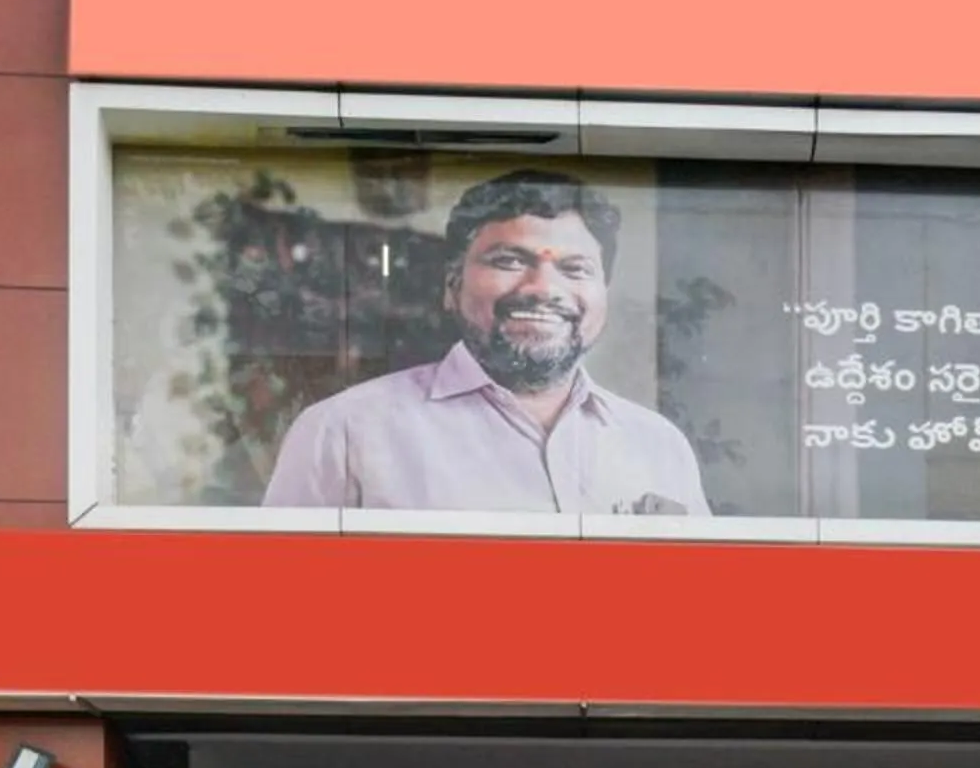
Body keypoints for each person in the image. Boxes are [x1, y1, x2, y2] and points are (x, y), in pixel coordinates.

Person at [261, 170, 712, 517]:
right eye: (510, 260)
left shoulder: (657, 445)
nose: (542, 288)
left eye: (575, 269)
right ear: (452, 285)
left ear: (603, 294)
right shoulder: (344, 431)